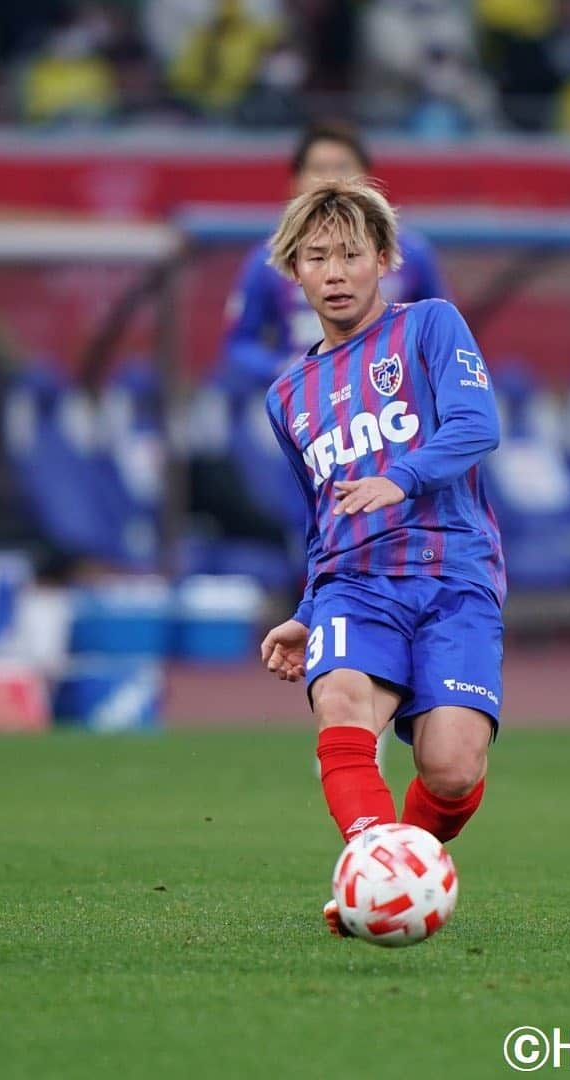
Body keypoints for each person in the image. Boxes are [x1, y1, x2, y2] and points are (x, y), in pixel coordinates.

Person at [258, 179, 505, 936]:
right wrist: (305, 611)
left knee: (453, 767)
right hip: (355, 586)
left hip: (452, 575)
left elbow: (477, 424)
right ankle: (372, 869)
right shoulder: (287, 394)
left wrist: (398, 478)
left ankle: (403, 867)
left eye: (351, 255)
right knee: (340, 704)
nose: (334, 273)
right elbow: (320, 518)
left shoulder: (430, 326)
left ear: (385, 259)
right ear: (293, 271)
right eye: (316, 257)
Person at [218, 120, 448, 395]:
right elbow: (239, 346)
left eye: (342, 168)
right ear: (296, 182)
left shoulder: (409, 251)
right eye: (318, 169)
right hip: (308, 404)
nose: (331, 180)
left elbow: (441, 332)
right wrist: (287, 369)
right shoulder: (269, 259)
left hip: (392, 397)